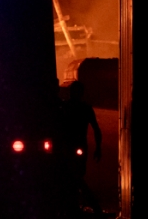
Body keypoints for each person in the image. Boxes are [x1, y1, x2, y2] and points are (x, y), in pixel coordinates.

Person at [58, 80, 103, 216]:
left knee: (72, 177)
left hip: (67, 147)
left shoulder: (64, 107)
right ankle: (90, 205)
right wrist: (98, 148)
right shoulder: (86, 109)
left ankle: (76, 206)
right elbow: (96, 129)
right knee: (77, 176)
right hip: (79, 147)